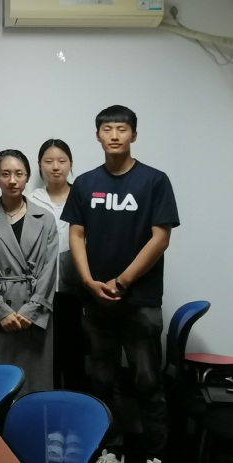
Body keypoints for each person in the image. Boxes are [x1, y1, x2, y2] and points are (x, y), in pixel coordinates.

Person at [62, 106, 179, 463]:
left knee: (148, 382)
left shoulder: (154, 181)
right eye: (107, 129)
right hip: (96, 300)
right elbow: (76, 234)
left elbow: (160, 238)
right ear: (97, 135)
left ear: (134, 135)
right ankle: (111, 449)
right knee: (101, 381)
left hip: (140, 301)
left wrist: (122, 281)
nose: (114, 135)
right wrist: (88, 281)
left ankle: (157, 454)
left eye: (122, 129)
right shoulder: (85, 183)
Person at [0, 149, 58, 394]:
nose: (12, 180)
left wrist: (32, 310)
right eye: (5, 174)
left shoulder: (46, 218)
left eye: (19, 174)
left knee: (34, 387)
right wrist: (0, 311)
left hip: (34, 315)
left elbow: (49, 270)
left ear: (27, 176)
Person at [29, 139, 87, 391]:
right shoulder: (31, 200)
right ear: (39, 165)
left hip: (77, 292)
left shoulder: (83, 197)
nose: (55, 167)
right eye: (49, 161)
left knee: (76, 357)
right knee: (45, 358)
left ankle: (76, 408)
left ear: (71, 164)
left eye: (62, 161)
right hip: (40, 292)